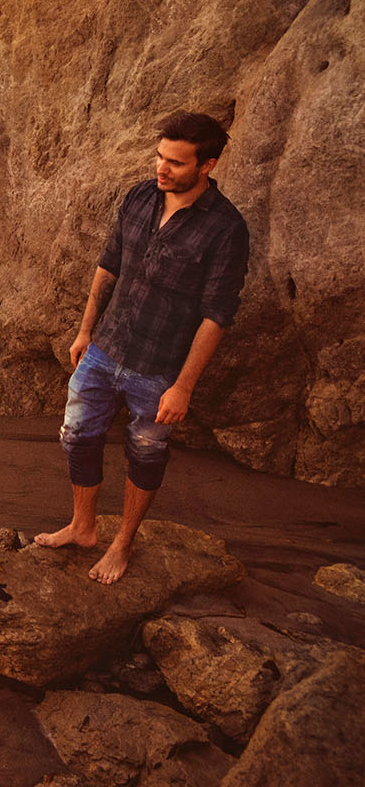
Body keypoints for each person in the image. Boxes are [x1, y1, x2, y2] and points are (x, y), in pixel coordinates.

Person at [35, 111, 248, 584]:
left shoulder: (226, 229)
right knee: (77, 435)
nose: (162, 168)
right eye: (160, 157)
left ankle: (122, 544)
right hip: (106, 346)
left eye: (175, 162)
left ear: (207, 164)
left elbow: (217, 315)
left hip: (159, 366)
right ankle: (82, 526)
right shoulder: (139, 197)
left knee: (146, 452)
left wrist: (184, 387)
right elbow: (108, 265)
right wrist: (85, 332)